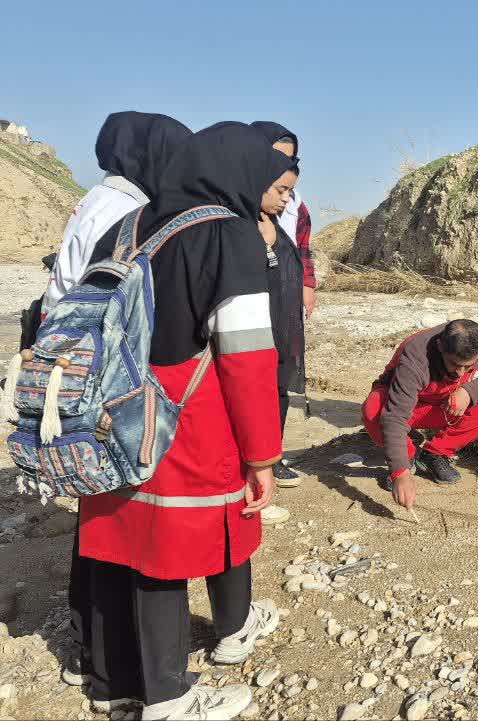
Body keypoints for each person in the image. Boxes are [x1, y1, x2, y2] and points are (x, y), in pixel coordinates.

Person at [78, 122, 294, 719]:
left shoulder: (127, 226)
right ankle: (169, 697)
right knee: (162, 555)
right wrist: (262, 456)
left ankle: (112, 683)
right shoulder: (228, 234)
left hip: (108, 409)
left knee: (116, 545)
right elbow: (246, 358)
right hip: (181, 420)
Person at [38, 111, 191, 693]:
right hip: (95, 369)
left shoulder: (99, 199)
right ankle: (102, 654)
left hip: (72, 357)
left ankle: (91, 646)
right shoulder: (126, 210)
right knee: (106, 508)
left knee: (94, 504)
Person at [43, 112, 191, 314]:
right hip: (76, 324)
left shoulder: (103, 196)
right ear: (154, 159)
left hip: (56, 317)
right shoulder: (126, 209)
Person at [363, 320, 478, 500]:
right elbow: (395, 417)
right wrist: (400, 473)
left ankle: (434, 454)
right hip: (407, 405)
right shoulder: (416, 355)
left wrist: (468, 392)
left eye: (468, 367)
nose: (461, 373)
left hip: (445, 404)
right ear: (440, 346)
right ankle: (407, 455)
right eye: (455, 364)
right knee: (373, 408)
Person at [250, 121, 310, 499]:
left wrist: (307, 286)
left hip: (283, 322)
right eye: (280, 188)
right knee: (253, 392)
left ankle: (271, 456)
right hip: (253, 329)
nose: (286, 196)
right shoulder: (239, 221)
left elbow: (302, 248)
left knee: (279, 387)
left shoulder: (284, 212)